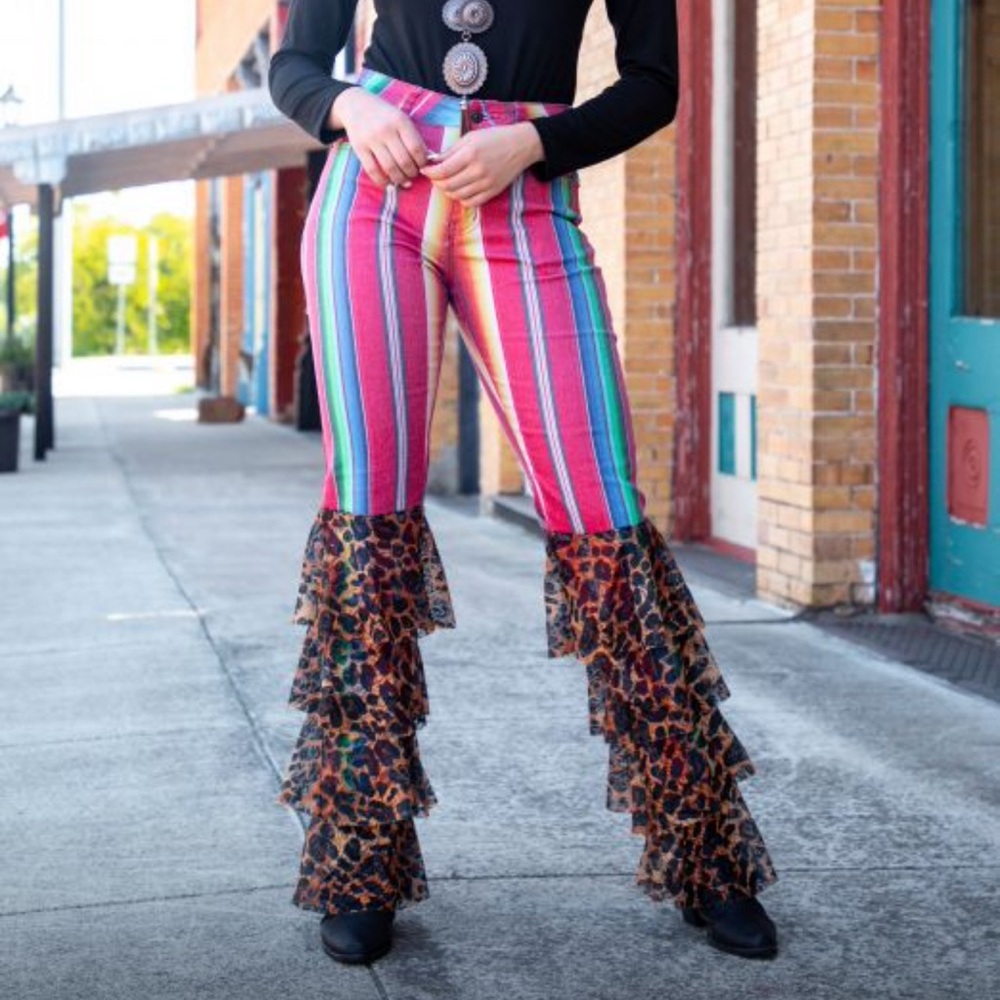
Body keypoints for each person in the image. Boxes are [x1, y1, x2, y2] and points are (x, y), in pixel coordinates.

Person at [268, 0, 779, 967]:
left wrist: (536, 142)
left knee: (605, 515)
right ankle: (360, 858)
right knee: (368, 511)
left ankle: (708, 856)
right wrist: (349, 110)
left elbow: (654, 84)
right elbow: (293, 63)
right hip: (371, 199)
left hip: (524, 200)